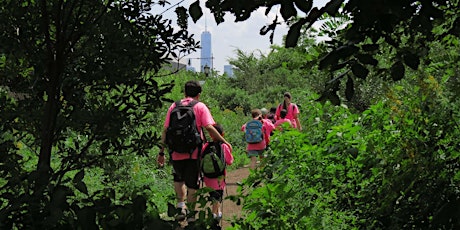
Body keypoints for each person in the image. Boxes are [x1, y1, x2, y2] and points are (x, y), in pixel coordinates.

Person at [157, 80, 232, 222]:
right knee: (193, 184)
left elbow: (166, 130)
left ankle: (181, 207)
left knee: (178, 179)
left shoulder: (174, 106)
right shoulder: (200, 106)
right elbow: (209, 127)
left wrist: (161, 152)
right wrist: (224, 142)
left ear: (184, 92)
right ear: (199, 94)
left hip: (175, 151)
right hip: (194, 153)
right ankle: (191, 216)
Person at [202, 124, 234, 222]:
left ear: (211, 135)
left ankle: (218, 212)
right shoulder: (224, 146)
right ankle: (213, 215)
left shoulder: (206, 145)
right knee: (218, 196)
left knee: (213, 195)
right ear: (222, 134)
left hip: (207, 177)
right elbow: (230, 161)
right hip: (219, 177)